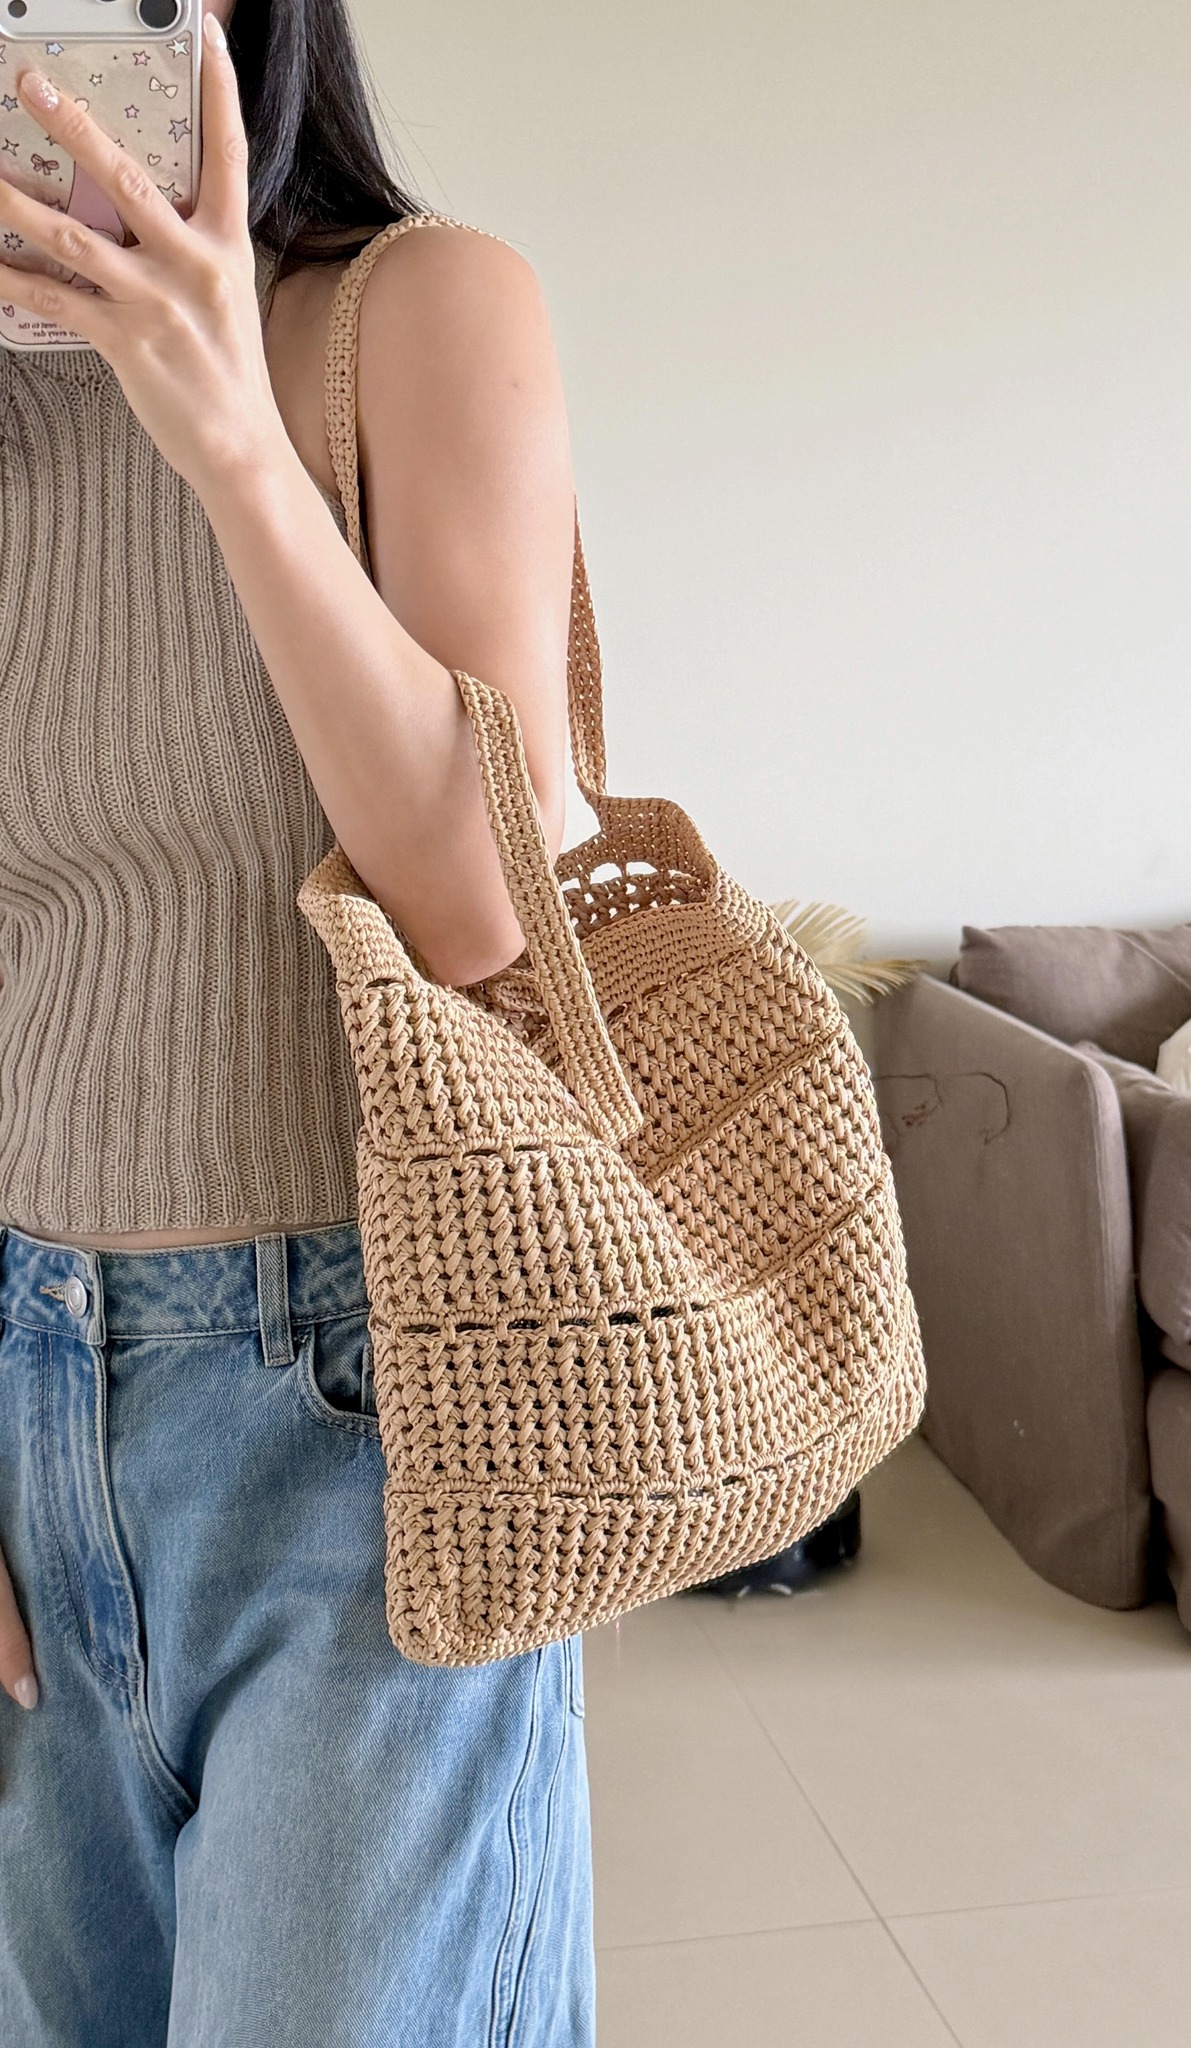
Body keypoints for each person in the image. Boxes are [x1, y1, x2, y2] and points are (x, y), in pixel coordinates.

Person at [0, 5, 594, 2042]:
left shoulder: (418, 314)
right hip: (21, 1390)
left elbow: (485, 905)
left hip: (372, 1406)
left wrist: (231, 437)